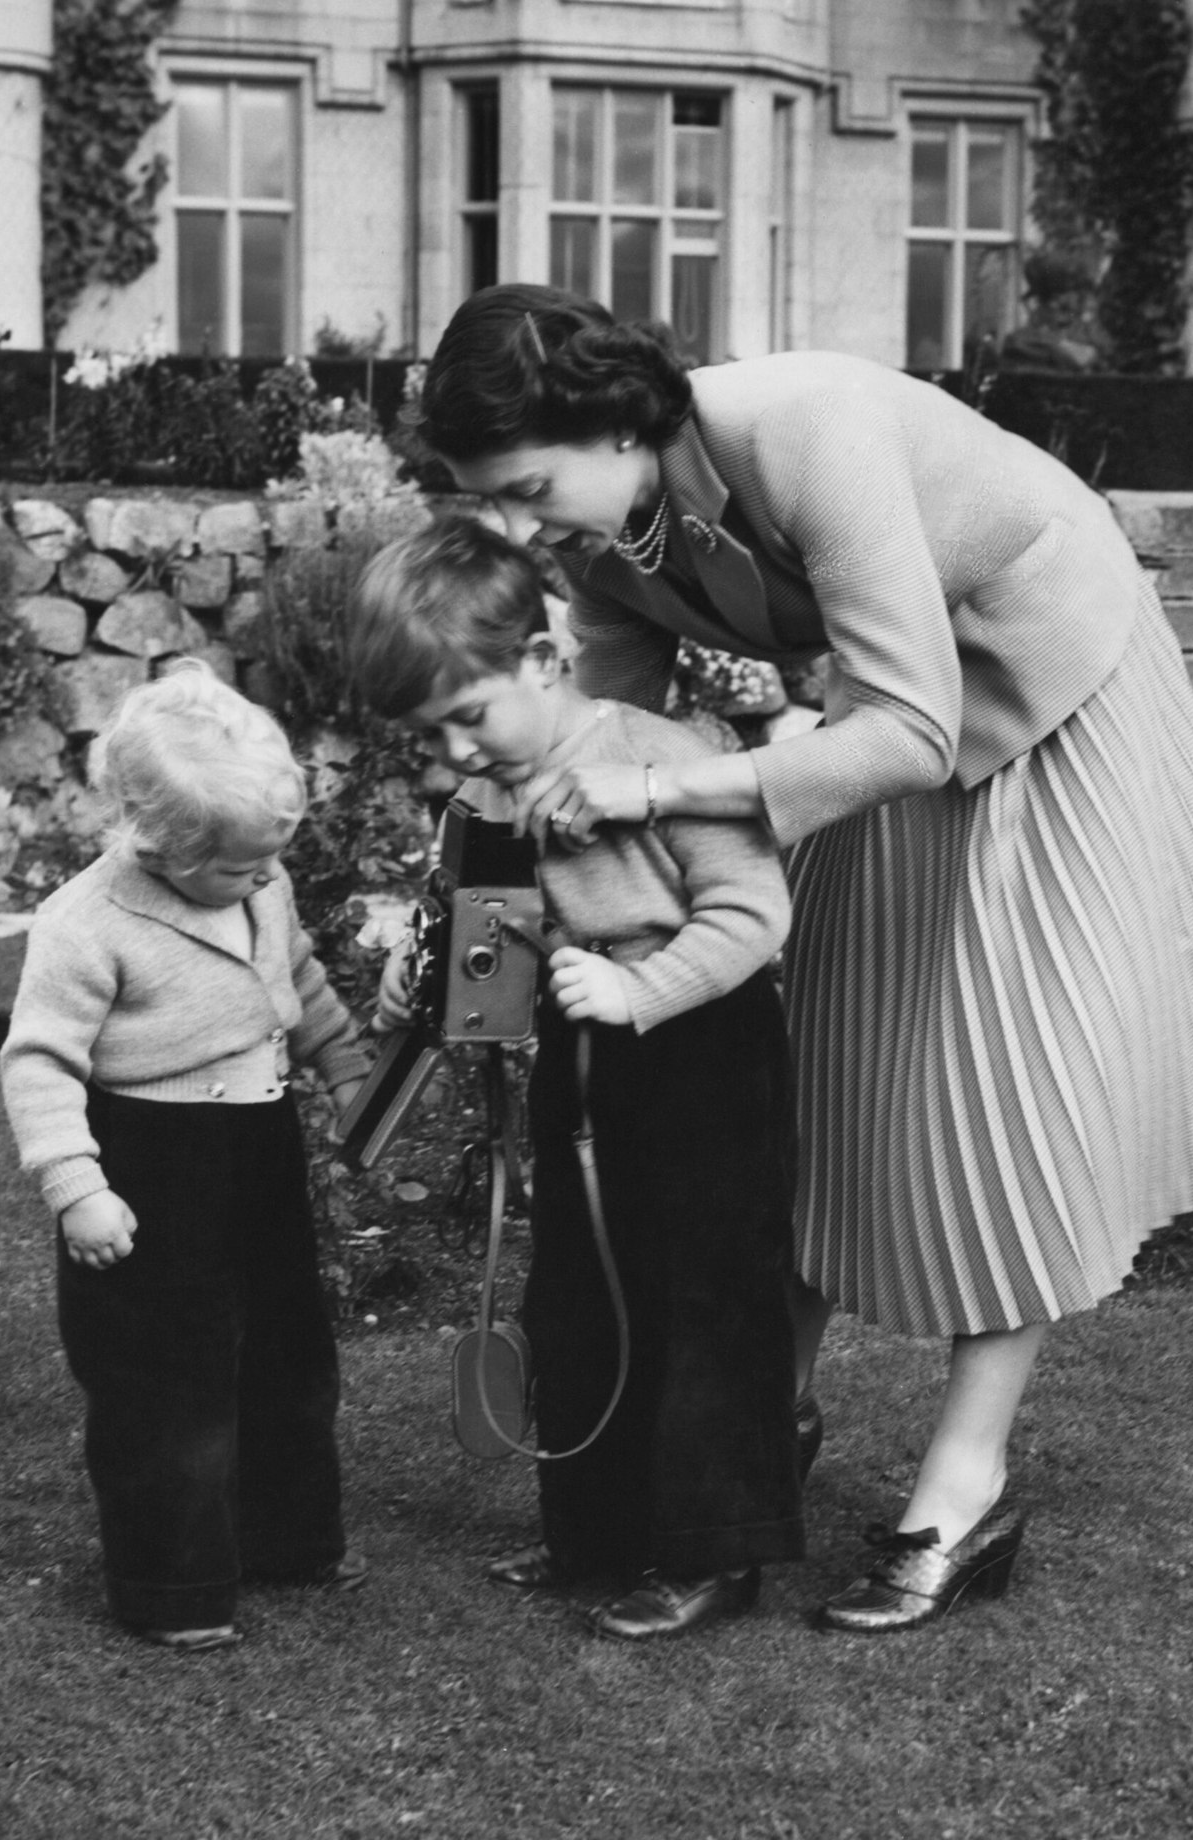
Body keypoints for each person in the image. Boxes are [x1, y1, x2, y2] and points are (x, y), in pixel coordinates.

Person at [412, 284, 1193, 1634]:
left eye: (528, 487)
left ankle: (962, 1483)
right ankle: (751, 1438)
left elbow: (904, 734)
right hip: (879, 717)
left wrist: (661, 800)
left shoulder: (807, 423)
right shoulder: (598, 543)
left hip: (1048, 689)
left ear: (614, 422)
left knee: (1007, 1085)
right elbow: (601, 745)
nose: (520, 529)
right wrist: (515, 860)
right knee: (822, 1067)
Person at [347, 513, 806, 1640]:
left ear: (544, 661)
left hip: (704, 1053)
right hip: (583, 1061)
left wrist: (642, 990)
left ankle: (713, 1553)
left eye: (467, 715)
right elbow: (486, 932)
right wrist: (427, 985)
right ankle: (591, 1532)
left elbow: (755, 916)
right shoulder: (487, 790)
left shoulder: (665, 758)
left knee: (703, 1297)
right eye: (432, 732)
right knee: (578, 1294)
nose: (455, 749)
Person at [0, 660, 371, 1651]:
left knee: (289, 1353)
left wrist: (345, 1066)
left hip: (260, 1147)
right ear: (150, 839)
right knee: (165, 1376)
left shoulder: (263, 881)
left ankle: (291, 1539)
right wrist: (78, 1188)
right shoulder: (87, 923)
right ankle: (176, 1582)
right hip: (152, 1162)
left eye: (269, 862)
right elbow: (38, 1061)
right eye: (236, 867)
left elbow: (300, 979)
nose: (259, 880)